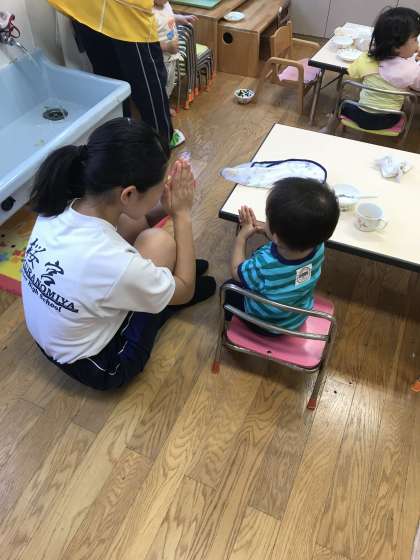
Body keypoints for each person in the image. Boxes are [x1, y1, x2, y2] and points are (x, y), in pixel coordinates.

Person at [21, 118, 216, 390]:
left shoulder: (62, 202)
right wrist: (182, 214)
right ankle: (162, 297)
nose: (162, 190)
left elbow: (129, 218)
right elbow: (186, 289)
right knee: (160, 244)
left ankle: (159, 286)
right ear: (129, 194)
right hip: (101, 365)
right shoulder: (110, 261)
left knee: (129, 225)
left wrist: (166, 206)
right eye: (160, 187)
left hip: (52, 336)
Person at [48, 0, 185, 148]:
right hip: (126, 12)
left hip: (85, 9)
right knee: (148, 83)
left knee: (111, 81)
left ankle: (122, 141)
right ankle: (161, 143)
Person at [226, 177, 339, 333]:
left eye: (267, 219)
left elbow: (235, 270)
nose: (265, 221)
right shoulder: (318, 245)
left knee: (229, 287)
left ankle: (230, 327)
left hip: (265, 324)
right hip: (297, 315)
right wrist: (268, 230)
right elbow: (292, 238)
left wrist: (242, 237)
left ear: (277, 238)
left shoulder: (264, 265)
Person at [326, 7, 420, 133]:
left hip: (362, 117)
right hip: (391, 119)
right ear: (397, 46)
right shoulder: (414, 69)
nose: (417, 46)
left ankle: (328, 130)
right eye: (415, 40)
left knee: (341, 103)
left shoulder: (367, 59)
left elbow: (353, 73)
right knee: (403, 101)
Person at [153, 0, 197, 98]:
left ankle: (166, 100)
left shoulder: (165, 4)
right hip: (159, 60)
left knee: (170, 82)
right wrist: (166, 46)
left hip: (171, 56)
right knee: (160, 86)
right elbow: (146, 43)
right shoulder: (148, 13)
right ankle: (161, 103)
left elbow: (168, 17)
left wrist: (179, 18)